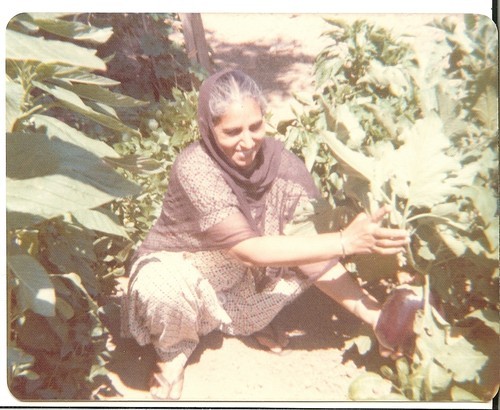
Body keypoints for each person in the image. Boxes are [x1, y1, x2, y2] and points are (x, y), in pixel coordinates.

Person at [121, 69, 410, 400]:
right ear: (209, 130)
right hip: (186, 268)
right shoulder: (195, 167)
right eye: (232, 132)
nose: (247, 141)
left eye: (255, 126)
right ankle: (174, 351)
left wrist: (377, 317)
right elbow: (246, 250)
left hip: (243, 280)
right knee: (161, 290)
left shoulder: (284, 168)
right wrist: (345, 240)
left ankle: (230, 321)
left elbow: (315, 258)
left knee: (300, 253)